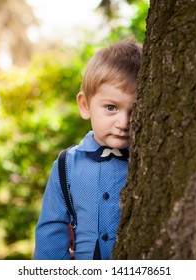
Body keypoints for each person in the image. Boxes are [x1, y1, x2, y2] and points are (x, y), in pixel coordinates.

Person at [34, 39, 142, 260]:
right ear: (85, 105)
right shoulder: (67, 165)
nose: (123, 122)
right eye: (111, 107)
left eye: (135, 109)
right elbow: (51, 234)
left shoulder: (149, 163)